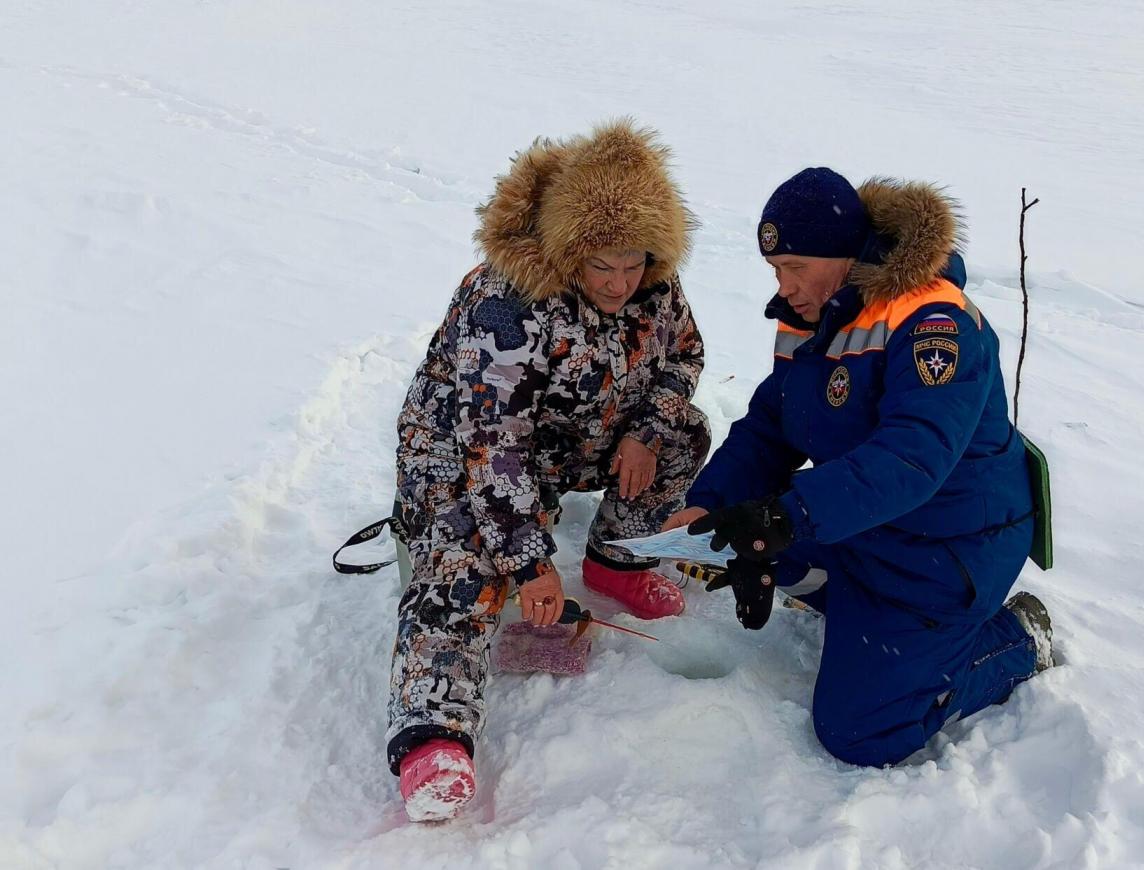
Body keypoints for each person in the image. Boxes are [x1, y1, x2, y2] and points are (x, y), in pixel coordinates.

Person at [665, 167, 1053, 768]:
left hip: (950, 546)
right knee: (747, 538)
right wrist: (710, 502)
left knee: (860, 732)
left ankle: (1014, 640)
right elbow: (772, 425)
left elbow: (911, 457)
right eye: (775, 271)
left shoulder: (934, 325)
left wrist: (789, 516)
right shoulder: (816, 316)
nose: (784, 286)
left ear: (841, 254)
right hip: (869, 524)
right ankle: (859, 611)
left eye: (795, 267)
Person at [390, 121, 709, 820]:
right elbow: (492, 447)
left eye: (635, 264)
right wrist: (531, 561)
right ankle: (433, 738)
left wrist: (647, 433)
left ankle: (617, 564)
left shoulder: (655, 287)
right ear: (570, 253)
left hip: (566, 438)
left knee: (683, 431)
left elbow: (683, 358)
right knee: (468, 556)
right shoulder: (507, 304)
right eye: (604, 268)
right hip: (461, 449)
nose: (622, 283)